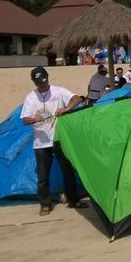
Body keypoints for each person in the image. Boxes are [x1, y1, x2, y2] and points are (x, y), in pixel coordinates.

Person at [20, 67, 88, 215]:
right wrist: (33, 119)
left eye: (43, 81)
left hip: (59, 139)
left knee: (68, 171)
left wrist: (66, 108)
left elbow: (77, 98)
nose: (42, 84)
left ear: (47, 77)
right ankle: (45, 204)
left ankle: (73, 200)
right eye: (39, 82)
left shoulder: (58, 91)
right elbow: (24, 119)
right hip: (41, 143)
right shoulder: (30, 97)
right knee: (43, 176)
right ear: (34, 82)